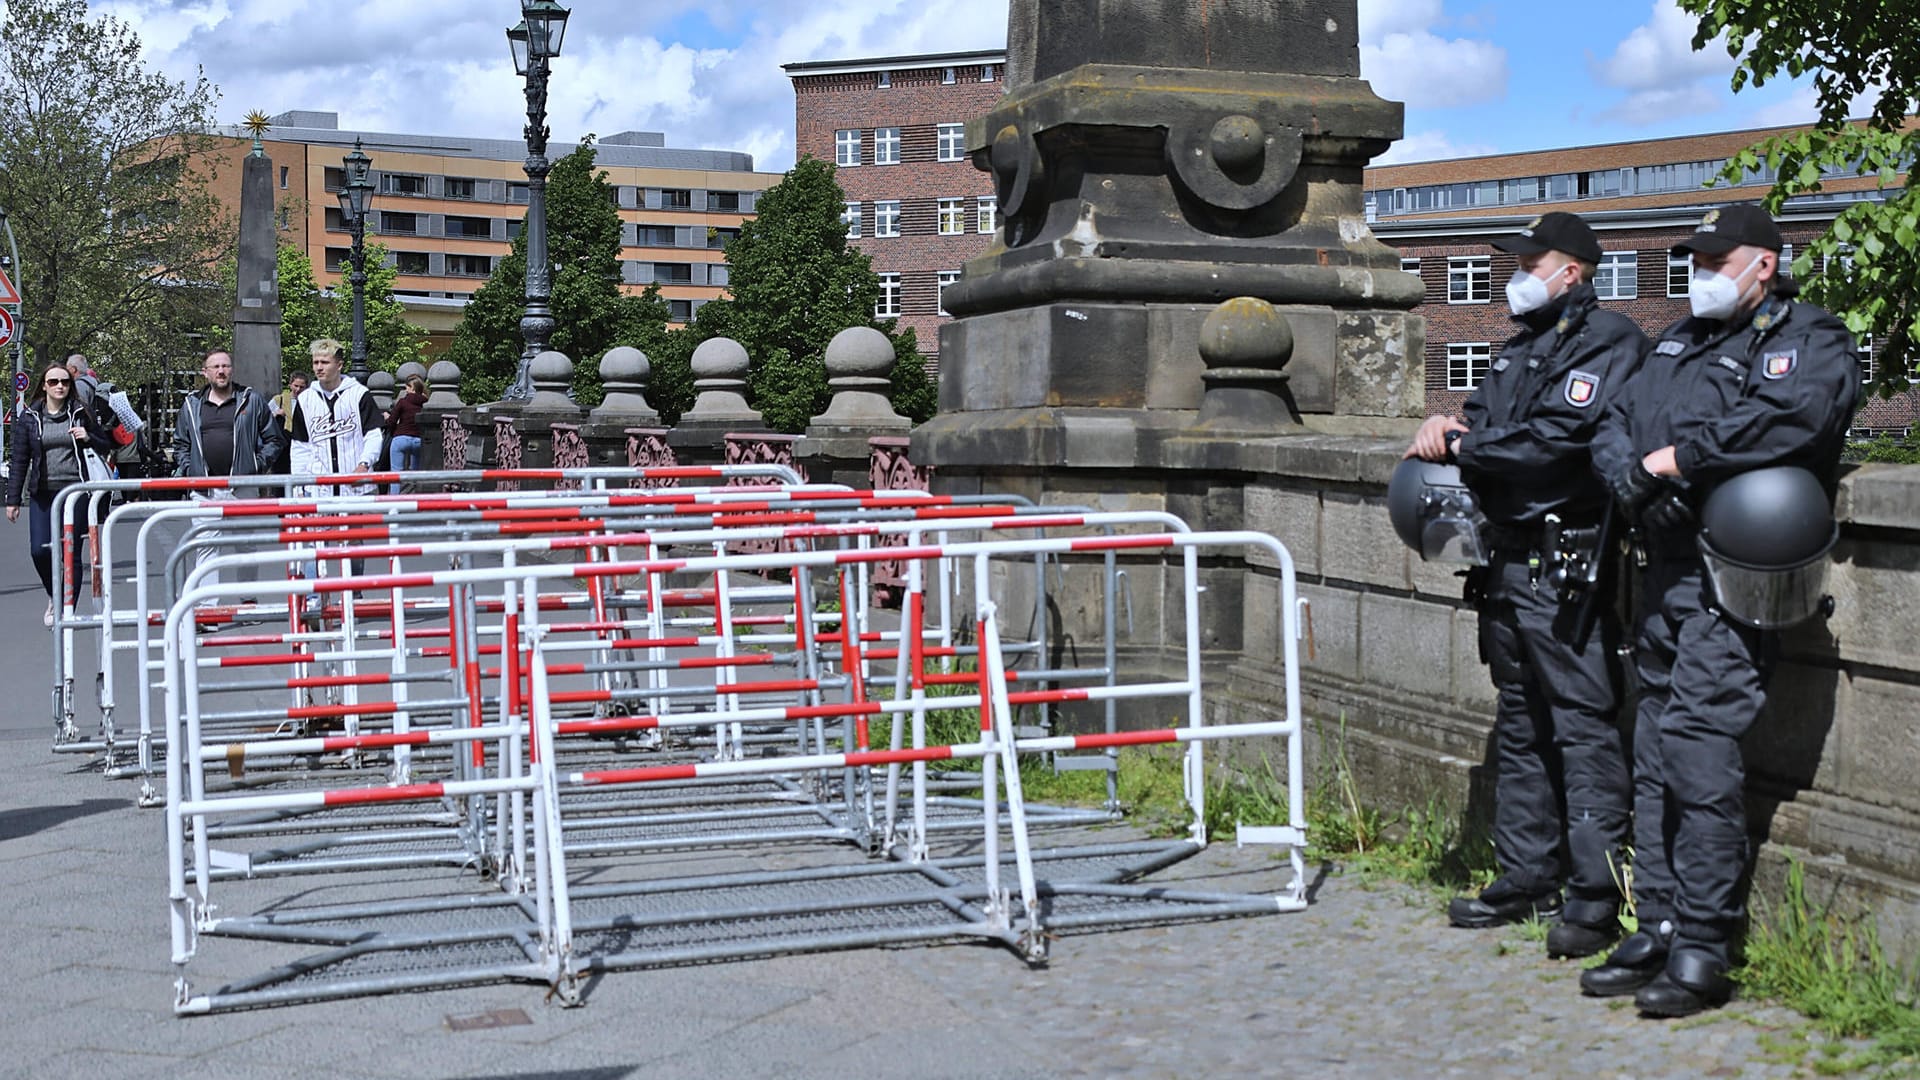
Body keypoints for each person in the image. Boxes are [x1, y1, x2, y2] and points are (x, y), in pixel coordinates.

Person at [1583, 204, 1857, 1017]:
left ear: (1762, 265)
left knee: (1700, 748)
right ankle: (1660, 920)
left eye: (1715, 258)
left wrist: (1682, 461)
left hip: (1735, 578)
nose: (1699, 273)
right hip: (1662, 570)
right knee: (1656, 744)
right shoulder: (1677, 340)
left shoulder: (1808, 336)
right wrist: (1634, 480)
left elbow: (1796, 417)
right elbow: (1613, 425)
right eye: (1694, 259)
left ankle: (1705, 944)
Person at [1404, 212, 1645, 959]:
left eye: (1529, 262)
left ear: (1570, 271)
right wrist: (1446, 427)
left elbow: (1556, 443)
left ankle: (1594, 894)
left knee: (1581, 726)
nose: (1516, 275)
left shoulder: (1609, 343)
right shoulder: (1516, 352)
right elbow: (1478, 425)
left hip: (1565, 566)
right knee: (1520, 724)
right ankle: (1526, 874)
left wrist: (1472, 444)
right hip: (1504, 566)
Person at [6, 362, 114, 627]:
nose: (59, 387)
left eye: (64, 382)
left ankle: (67, 609)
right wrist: (13, 500)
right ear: (44, 385)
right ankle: (55, 593)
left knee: (71, 552)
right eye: (53, 382)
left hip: (75, 492)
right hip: (42, 493)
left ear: (70, 385)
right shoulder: (30, 417)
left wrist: (88, 436)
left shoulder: (80, 413)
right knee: (40, 551)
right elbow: (19, 459)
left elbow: (106, 445)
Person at [172, 350, 285, 597]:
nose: (221, 371)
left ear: (231, 370)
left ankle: (247, 601)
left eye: (225, 366)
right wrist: (190, 470)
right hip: (205, 489)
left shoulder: (250, 399)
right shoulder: (192, 404)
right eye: (215, 367)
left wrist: (255, 465)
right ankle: (209, 609)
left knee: (245, 546)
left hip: (241, 487)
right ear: (205, 372)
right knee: (206, 548)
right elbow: (181, 443)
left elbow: (274, 439)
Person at [288, 340, 383, 498]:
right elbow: (300, 446)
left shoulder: (359, 394)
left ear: (339, 365)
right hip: (319, 489)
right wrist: (299, 486)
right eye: (315, 362)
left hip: (357, 487)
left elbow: (373, 435)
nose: (319, 367)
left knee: (360, 522)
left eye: (325, 362)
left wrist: (364, 464)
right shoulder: (305, 400)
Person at [383, 375, 429, 494]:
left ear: (412, 389)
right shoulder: (425, 404)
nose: (406, 390)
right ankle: (414, 498)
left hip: (401, 438)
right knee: (416, 474)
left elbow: (392, 421)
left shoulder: (403, 402)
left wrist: (387, 420)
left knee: (395, 473)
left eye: (407, 388)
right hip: (418, 440)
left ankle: (395, 502)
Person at [269, 370, 310, 474]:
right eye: (296, 386)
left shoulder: (309, 401)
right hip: (283, 444)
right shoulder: (279, 400)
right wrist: (276, 414)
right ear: (290, 385)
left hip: (302, 442)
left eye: (302, 387)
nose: (298, 389)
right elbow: (265, 419)